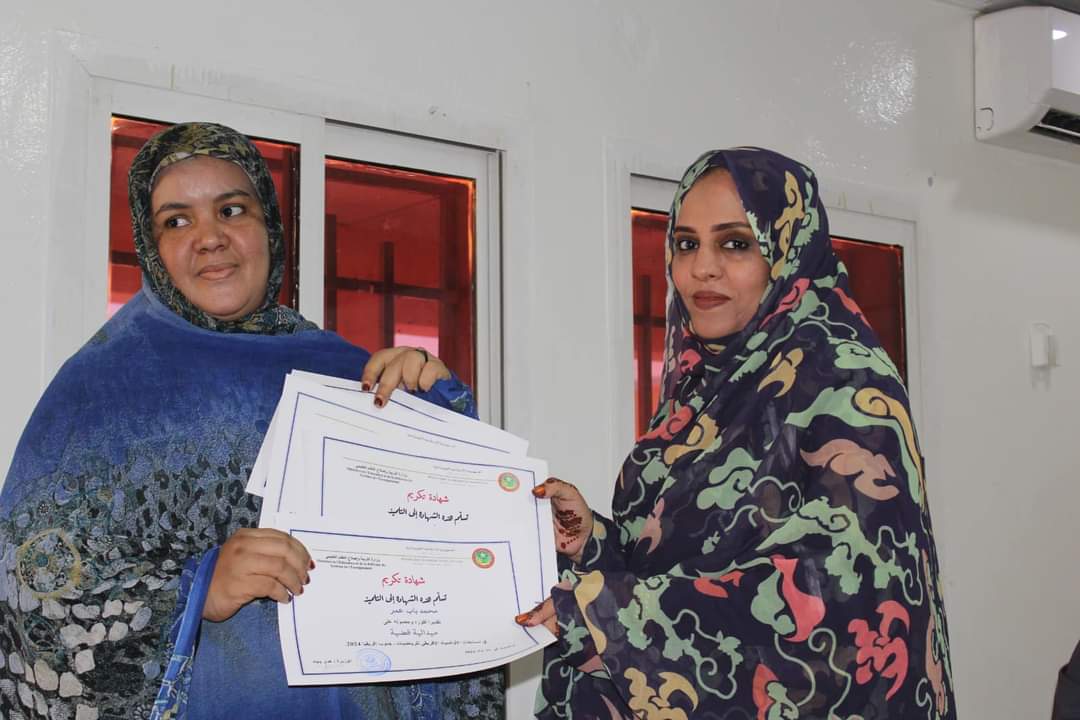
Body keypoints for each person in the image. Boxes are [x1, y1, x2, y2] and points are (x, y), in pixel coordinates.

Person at [0, 122, 502, 719]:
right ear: (150, 247)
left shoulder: (347, 376)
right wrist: (196, 591)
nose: (209, 238)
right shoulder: (100, 391)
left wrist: (434, 408)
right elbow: (31, 585)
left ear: (270, 227)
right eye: (176, 221)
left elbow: (463, 551)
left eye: (231, 210)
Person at [520, 147, 957, 718]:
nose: (702, 267)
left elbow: (845, 599)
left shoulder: (845, 383)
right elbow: (678, 559)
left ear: (786, 251)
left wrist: (609, 615)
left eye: (734, 243)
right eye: (686, 244)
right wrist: (591, 542)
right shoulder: (703, 391)